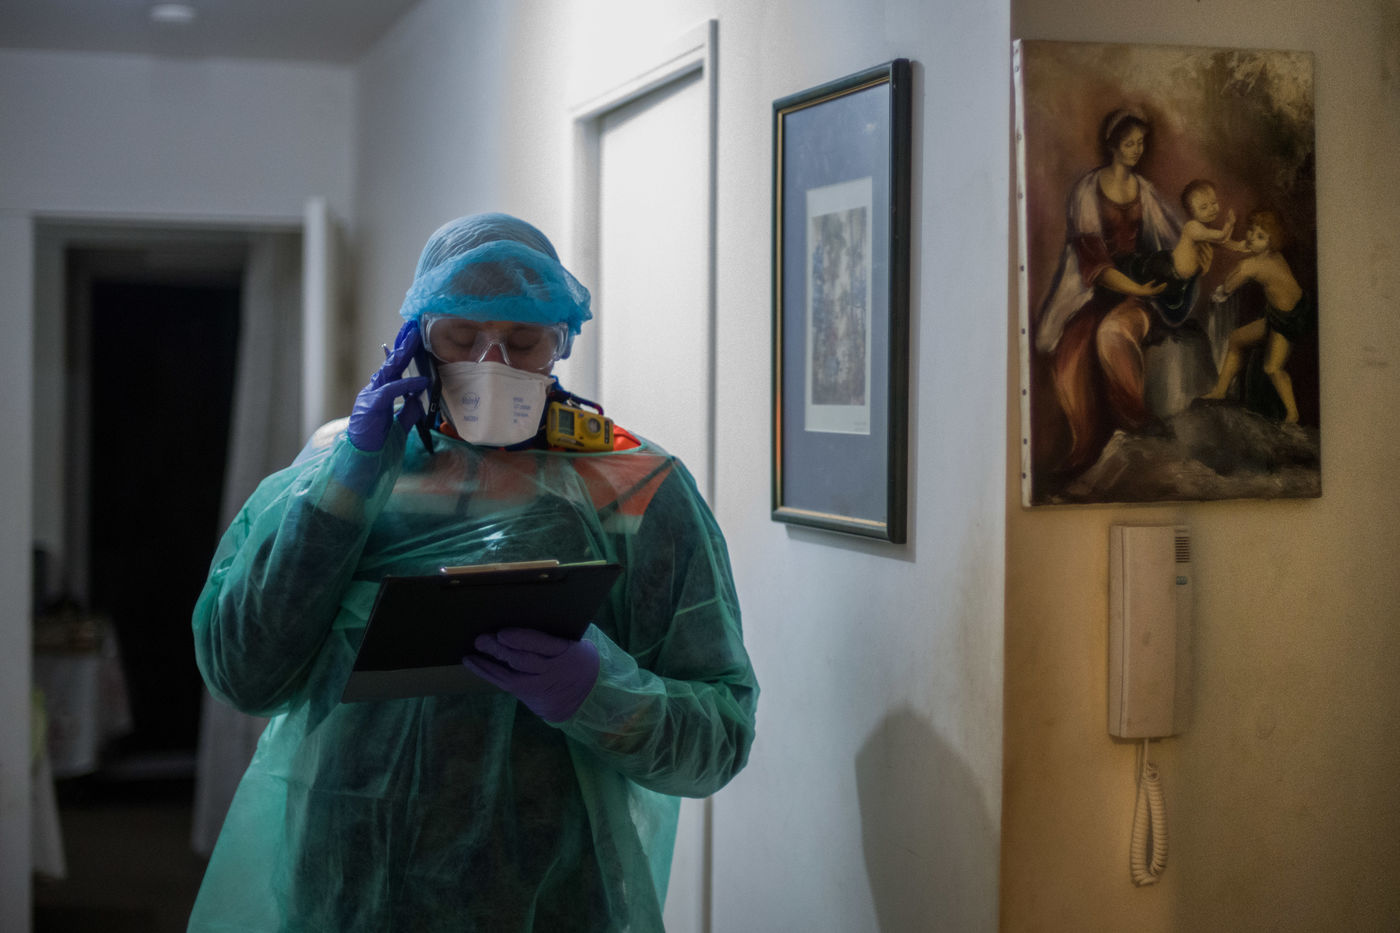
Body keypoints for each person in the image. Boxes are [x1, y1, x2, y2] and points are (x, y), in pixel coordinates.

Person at [186, 213, 759, 932]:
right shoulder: (342, 470)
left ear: (562, 340)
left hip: (549, 891)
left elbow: (719, 734)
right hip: (349, 880)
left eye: (522, 340)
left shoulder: (633, 488)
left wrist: (600, 692)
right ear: (416, 338)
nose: (491, 362)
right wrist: (345, 489)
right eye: (460, 337)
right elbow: (245, 671)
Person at [1035, 107, 1191, 472]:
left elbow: (1174, 238)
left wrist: (1177, 266)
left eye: (1141, 142)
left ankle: (1137, 422)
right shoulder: (1087, 190)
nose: (1137, 150)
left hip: (1138, 292)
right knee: (1071, 355)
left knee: (1113, 334)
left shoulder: (1144, 191)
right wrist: (1134, 286)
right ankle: (1085, 450)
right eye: (1129, 143)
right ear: (1113, 145)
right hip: (1095, 291)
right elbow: (1094, 262)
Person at [1199, 208, 1311, 422]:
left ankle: (1293, 414)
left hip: (1291, 319)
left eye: (1260, 236)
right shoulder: (1268, 253)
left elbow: (1230, 285)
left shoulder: (1253, 265)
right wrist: (1229, 237)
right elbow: (1239, 247)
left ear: (1271, 241)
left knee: (1272, 368)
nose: (1251, 237)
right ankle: (1220, 391)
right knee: (1236, 339)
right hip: (1278, 314)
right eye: (1251, 230)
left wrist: (1225, 287)